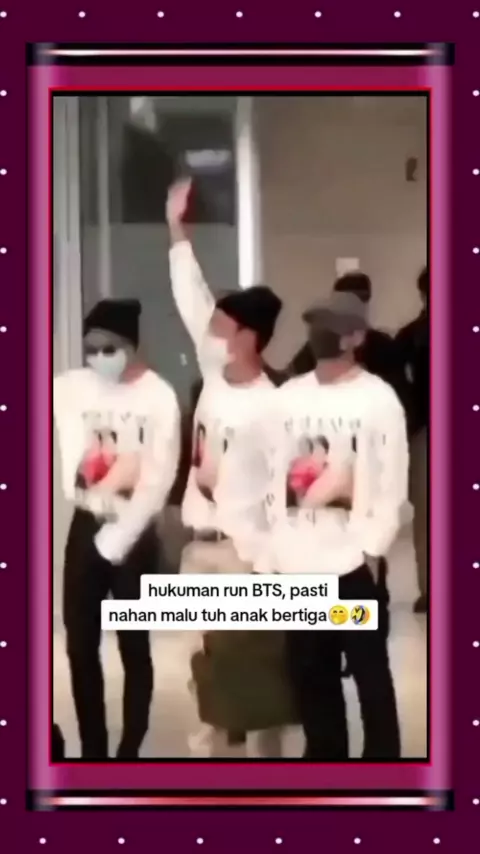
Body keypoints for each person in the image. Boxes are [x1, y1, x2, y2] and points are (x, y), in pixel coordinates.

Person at [219, 291, 408, 759]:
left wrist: (370, 547)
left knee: (369, 677)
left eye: (332, 325)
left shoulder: (378, 399)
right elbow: (252, 467)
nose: (321, 333)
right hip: (296, 567)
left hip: (350, 567)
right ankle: (326, 767)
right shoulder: (287, 398)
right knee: (311, 678)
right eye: (315, 323)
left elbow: (391, 481)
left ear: (357, 337)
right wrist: (262, 546)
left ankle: (382, 772)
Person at [166, 178, 288, 758]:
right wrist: (176, 229)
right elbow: (191, 296)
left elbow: (284, 494)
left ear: (248, 338)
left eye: (223, 324)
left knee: (255, 677)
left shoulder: (274, 406)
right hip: (201, 547)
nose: (211, 329)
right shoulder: (215, 372)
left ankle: (266, 773)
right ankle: (211, 760)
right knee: (202, 667)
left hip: (247, 556)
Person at [54, 299, 181, 758]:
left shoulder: (158, 397)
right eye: (90, 348)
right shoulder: (72, 387)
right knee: (80, 643)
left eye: (107, 348)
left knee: (133, 644)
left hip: (136, 531)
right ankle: (93, 749)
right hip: (86, 523)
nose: (97, 357)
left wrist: (119, 539)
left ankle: (129, 750)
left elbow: (160, 476)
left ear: (129, 345)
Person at [396, 267, 429, 614]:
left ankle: (429, 589)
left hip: (424, 432)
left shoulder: (412, 335)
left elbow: (397, 384)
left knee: (427, 516)